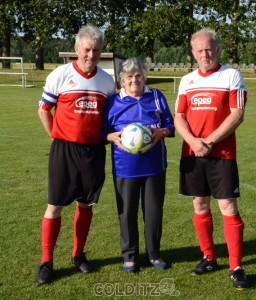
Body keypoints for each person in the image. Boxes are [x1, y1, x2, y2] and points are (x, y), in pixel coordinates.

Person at [36, 24, 116, 284]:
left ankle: (78, 255)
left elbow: (111, 117)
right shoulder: (60, 74)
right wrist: (55, 135)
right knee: (55, 205)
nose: (91, 55)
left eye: (96, 50)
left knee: (86, 203)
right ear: (76, 50)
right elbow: (43, 110)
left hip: (93, 151)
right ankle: (46, 261)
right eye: (86, 50)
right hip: (64, 150)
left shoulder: (106, 81)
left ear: (101, 51)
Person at [174, 28, 248, 289]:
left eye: (209, 49)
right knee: (200, 205)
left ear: (217, 49)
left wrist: (209, 141)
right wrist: (194, 142)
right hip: (193, 153)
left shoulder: (231, 76)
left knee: (227, 206)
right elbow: (179, 118)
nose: (205, 54)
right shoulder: (186, 81)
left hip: (222, 155)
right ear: (193, 53)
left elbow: (237, 114)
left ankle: (236, 265)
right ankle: (208, 256)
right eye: (199, 50)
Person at [103, 57, 175, 272]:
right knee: (127, 213)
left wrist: (160, 131)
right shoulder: (113, 101)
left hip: (154, 167)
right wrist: (112, 136)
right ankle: (130, 256)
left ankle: (154, 254)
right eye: (129, 77)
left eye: (138, 76)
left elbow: (170, 125)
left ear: (144, 77)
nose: (134, 80)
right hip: (125, 167)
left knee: (153, 212)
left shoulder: (156, 97)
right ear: (122, 80)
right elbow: (101, 131)